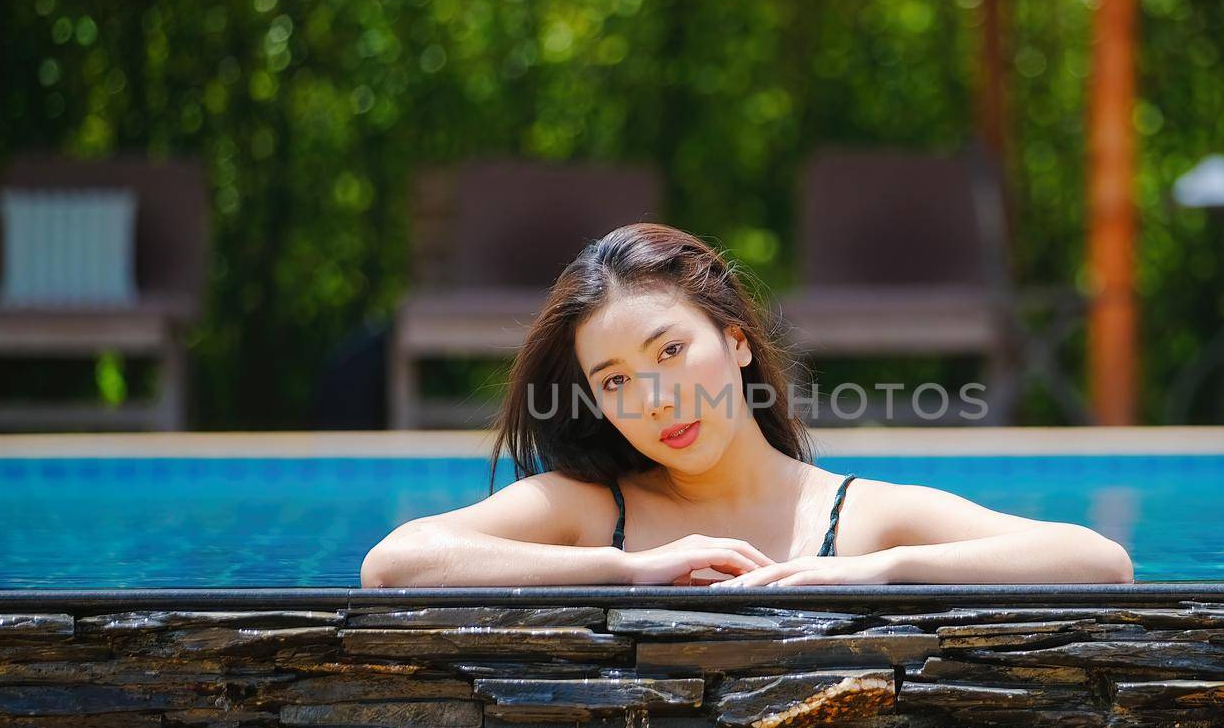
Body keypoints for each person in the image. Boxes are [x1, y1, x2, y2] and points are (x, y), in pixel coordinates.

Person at [361, 223, 1133, 588]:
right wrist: (627, 570)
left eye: (670, 351)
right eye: (617, 380)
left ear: (735, 342)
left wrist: (882, 571)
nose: (657, 398)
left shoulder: (858, 521)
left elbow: (1101, 562)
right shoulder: (589, 512)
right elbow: (392, 565)